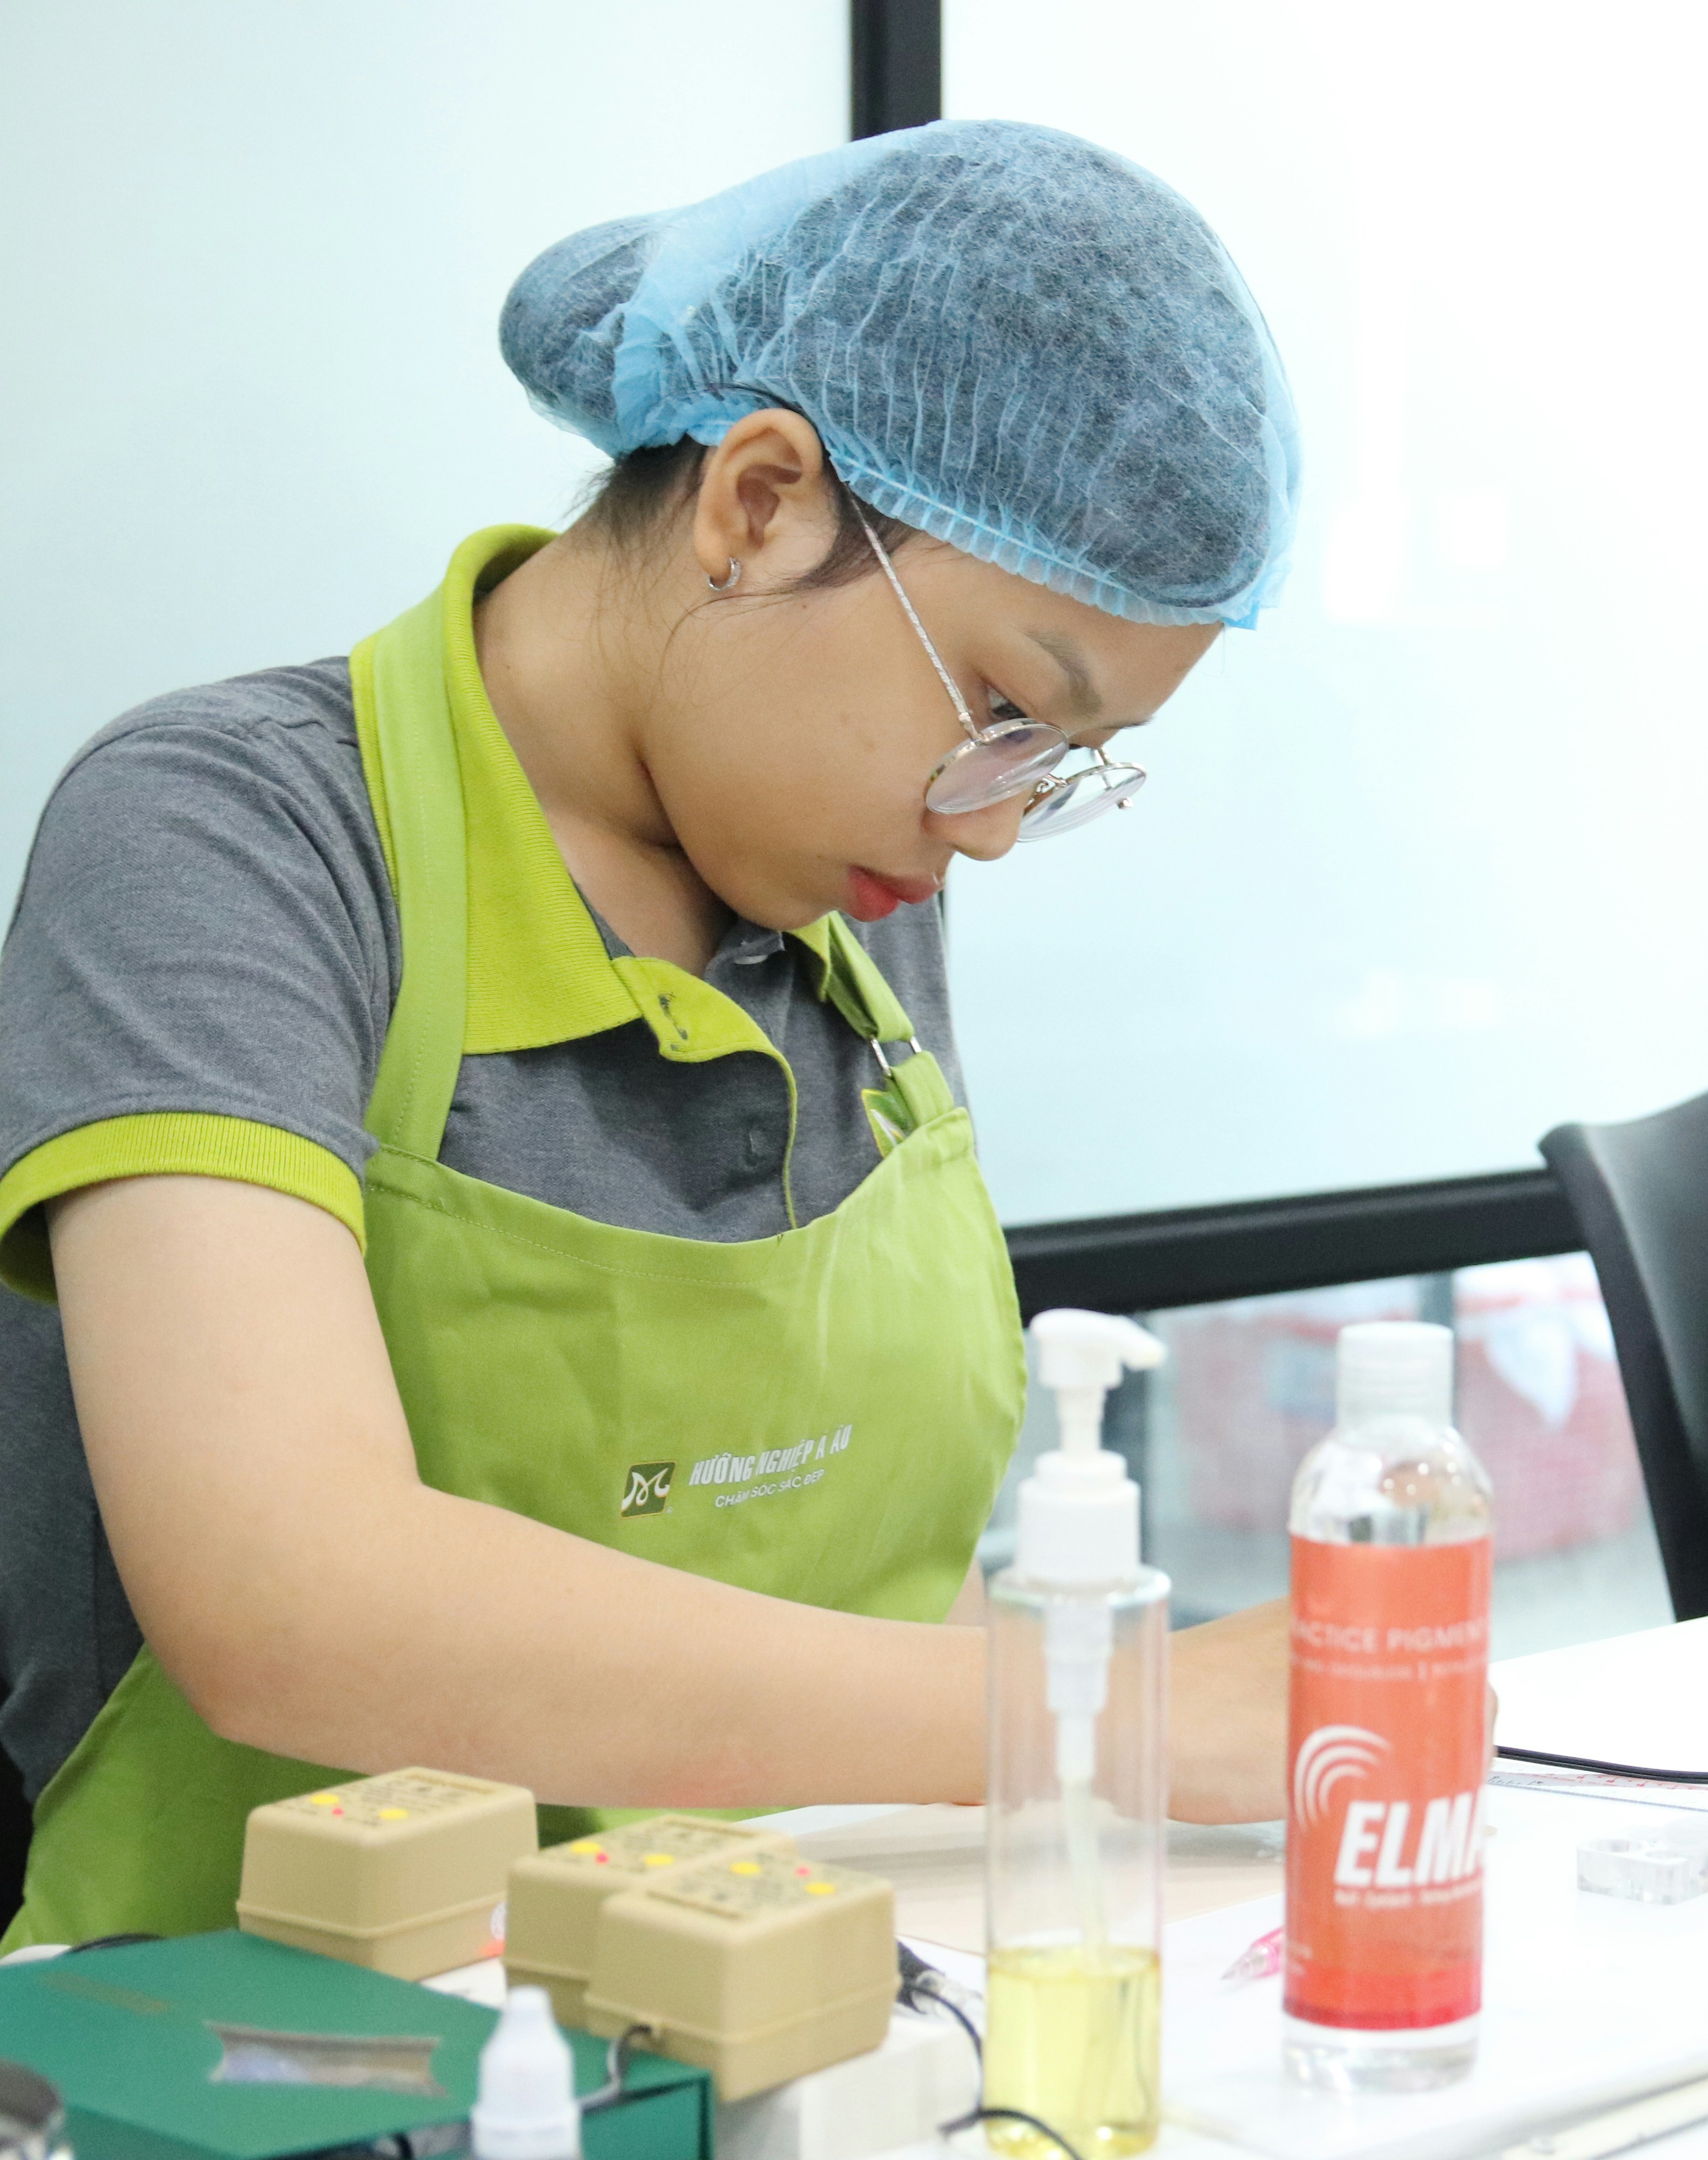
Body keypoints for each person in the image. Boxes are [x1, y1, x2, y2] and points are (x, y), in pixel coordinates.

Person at [0, 120, 1304, 1947]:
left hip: (820, 1991)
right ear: (758, 502)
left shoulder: (838, 884)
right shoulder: (228, 839)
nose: (993, 826)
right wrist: (1087, 1716)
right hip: (288, 2049)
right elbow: (286, 1594)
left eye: (1056, 766)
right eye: (1004, 708)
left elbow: (835, 1584)